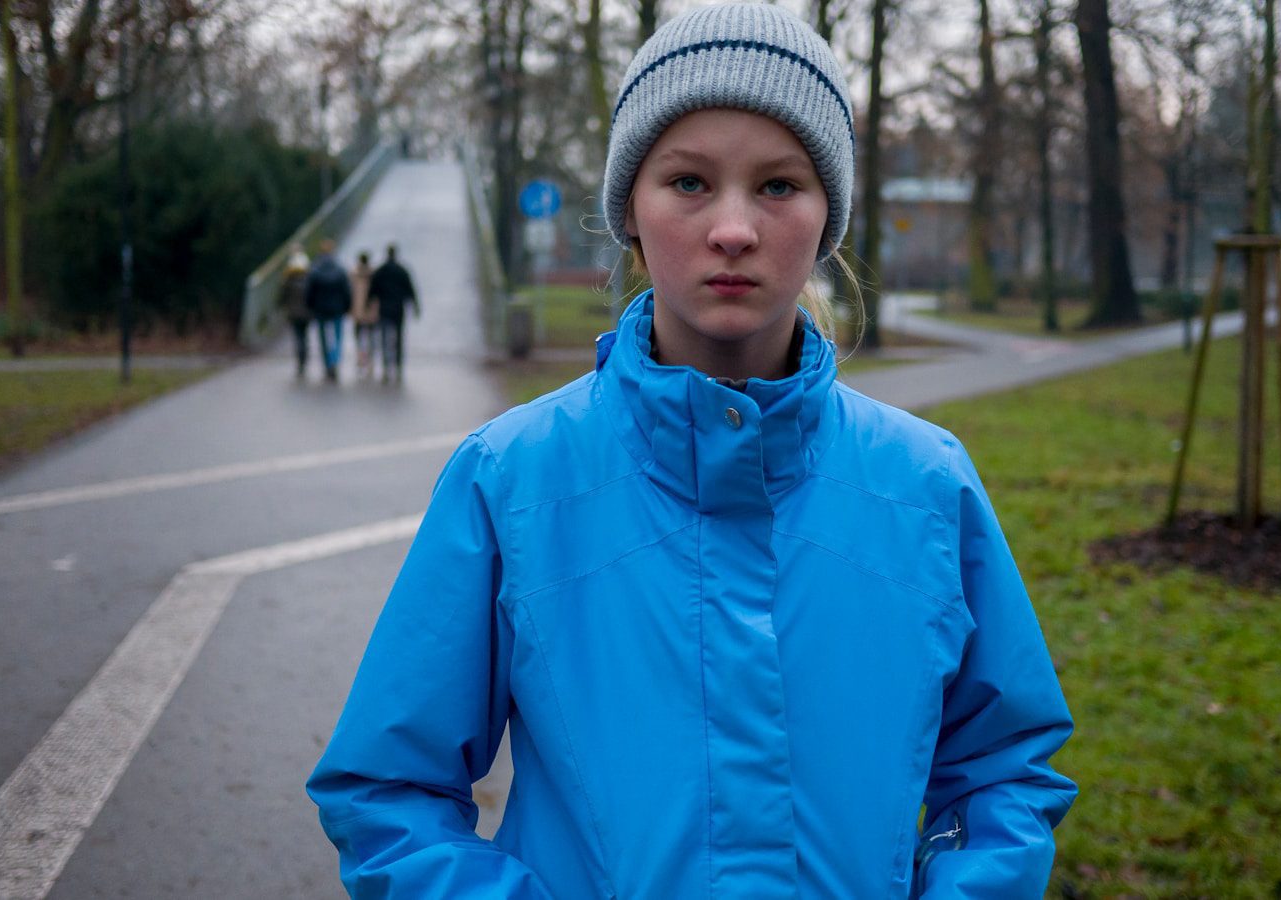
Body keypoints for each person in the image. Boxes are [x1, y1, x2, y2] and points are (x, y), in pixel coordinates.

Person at [307, 5, 1075, 898]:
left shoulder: (926, 487)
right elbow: (389, 790)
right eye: (689, 182)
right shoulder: (510, 480)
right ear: (629, 209)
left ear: (829, 217)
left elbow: (1003, 772)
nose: (735, 229)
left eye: (781, 186)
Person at [367, 244, 419, 383]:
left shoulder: (381, 271)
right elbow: (410, 289)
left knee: (384, 337)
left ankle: (386, 367)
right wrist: (415, 306)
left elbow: (372, 290)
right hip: (398, 309)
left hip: (384, 308)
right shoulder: (402, 270)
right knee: (399, 338)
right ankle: (398, 366)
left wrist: (368, 304)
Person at [305, 238, 352, 381]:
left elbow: (309, 292)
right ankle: (334, 360)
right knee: (337, 336)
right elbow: (346, 291)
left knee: (323, 336)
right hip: (337, 308)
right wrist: (347, 306)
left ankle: (327, 363)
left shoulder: (315, 269)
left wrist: (311, 305)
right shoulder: (340, 269)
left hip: (320, 308)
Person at [277, 248, 311, 378]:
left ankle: (300, 360)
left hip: (293, 313)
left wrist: (281, 307)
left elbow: (281, 298)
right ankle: (304, 357)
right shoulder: (308, 280)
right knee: (304, 337)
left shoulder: (287, 281)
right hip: (306, 314)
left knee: (298, 337)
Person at [350, 251, 377, 378]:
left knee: (359, 338)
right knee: (371, 338)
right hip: (371, 311)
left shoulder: (353, 275)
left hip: (358, 311)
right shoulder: (374, 275)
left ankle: (361, 360)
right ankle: (370, 362)